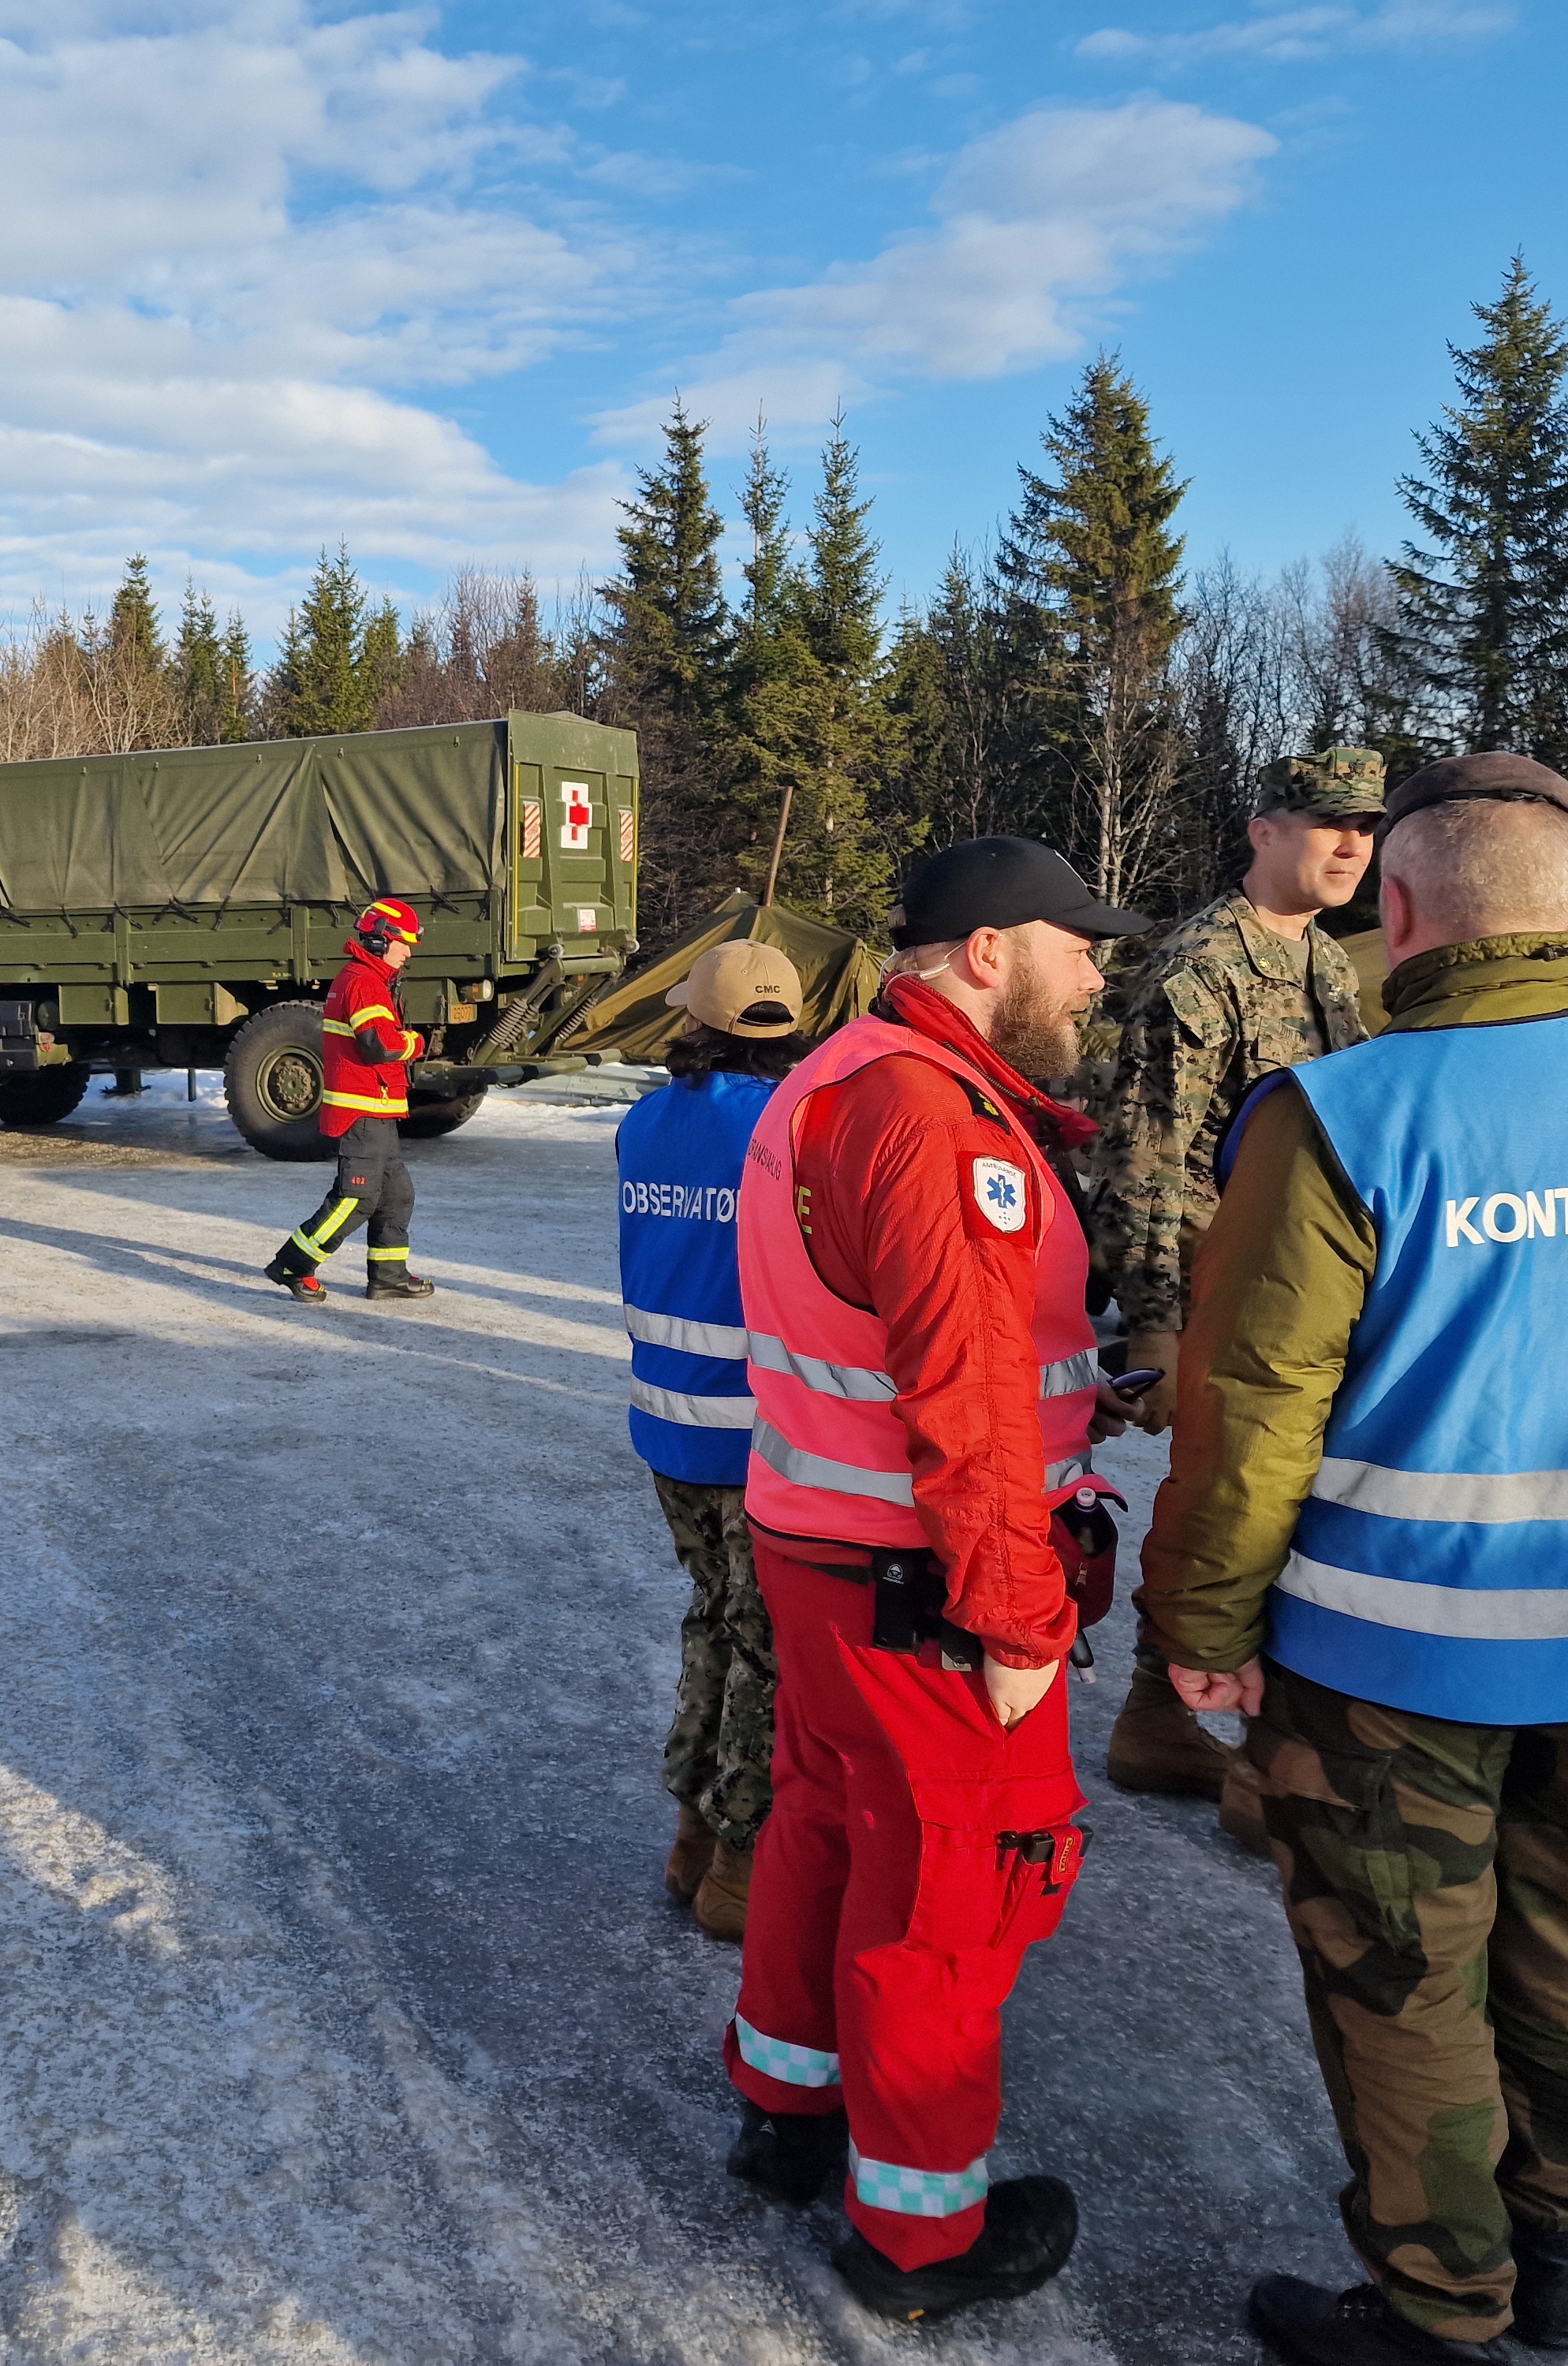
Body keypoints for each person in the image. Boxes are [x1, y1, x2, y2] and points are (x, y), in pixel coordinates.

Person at [1138, 755, 1568, 2365]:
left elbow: (1248, 1411)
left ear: (1401, 912)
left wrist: (1201, 1626)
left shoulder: (1340, 1115)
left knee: (1399, 1977)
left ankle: (1438, 2301)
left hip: (1385, 1656)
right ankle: (1544, 2249)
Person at [720, 837, 1148, 2324]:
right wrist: (1019, 1608)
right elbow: (959, 1393)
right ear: (985, 954)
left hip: (826, 1554)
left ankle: (787, 2115)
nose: (1096, 971)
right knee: (951, 1894)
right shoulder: (932, 1115)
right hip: (927, 1580)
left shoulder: (840, 1076)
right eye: (1075, 944)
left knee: (830, 1829)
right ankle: (919, 2241)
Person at [1091, 748, 1381, 1820]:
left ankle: (1260, 1742)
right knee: (1228, 1506)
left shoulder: (1328, 966)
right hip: (1223, 1286)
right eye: (1325, 822)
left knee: (1294, 1510)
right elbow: (1146, 1153)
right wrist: (1155, 1326)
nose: (1350, 843)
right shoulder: (1202, 969)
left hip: (1306, 1286)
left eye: (1365, 825)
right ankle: (1162, 1717)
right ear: (1263, 830)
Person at [614, 937, 812, 1942]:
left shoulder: (643, 1123)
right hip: (764, 1441)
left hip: (667, 1426)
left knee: (710, 1618)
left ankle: (690, 1829)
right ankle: (738, 1857)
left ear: (691, 1019)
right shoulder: (791, 1125)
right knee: (766, 1645)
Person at [267, 898, 434, 1304]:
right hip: (362, 1111)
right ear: (380, 941)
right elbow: (379, 1044)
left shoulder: (369, 979)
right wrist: (415, 1042)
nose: (409, 952)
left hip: (377, 1109)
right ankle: (293, 1265)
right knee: (356, 1197)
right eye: (404, 942)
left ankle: (389, 1276)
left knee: (396, 1195)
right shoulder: (363, 982)